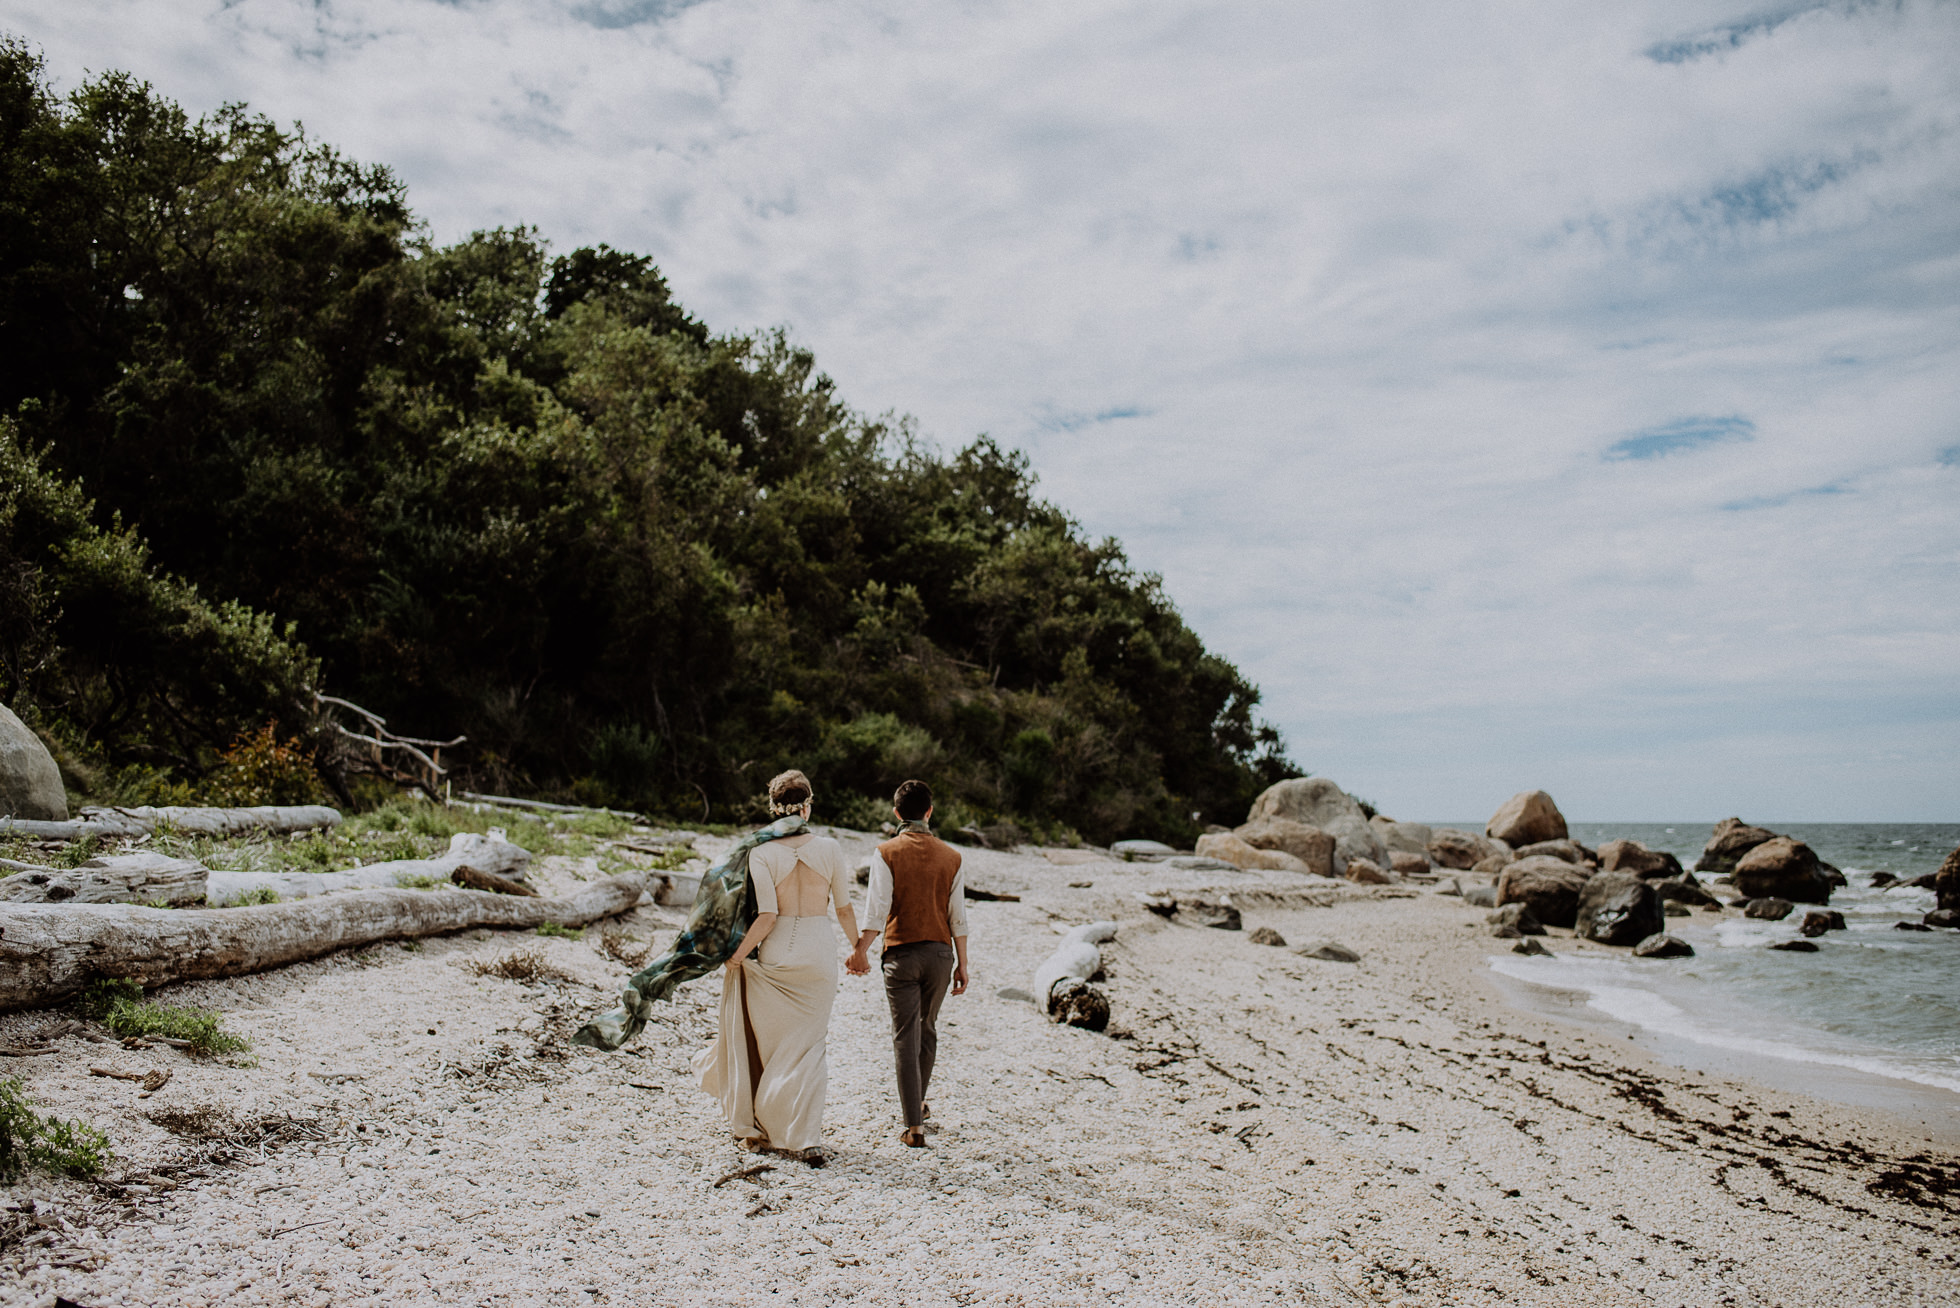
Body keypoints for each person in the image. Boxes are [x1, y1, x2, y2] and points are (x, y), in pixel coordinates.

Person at [691, 770, 865, 1166]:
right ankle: (806, 1139)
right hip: (819, 951)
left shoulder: (762, 852)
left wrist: (737, 954)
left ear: (773, 808)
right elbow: (843, 908)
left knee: (774, 1048)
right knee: (809, 1046)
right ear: (807, 806)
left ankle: (769, 1126)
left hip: (777, 953)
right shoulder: (831, 849)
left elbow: (767, 916)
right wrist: (859, 949)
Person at [848, 779, 969, 1148]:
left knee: (905, 1037)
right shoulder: (953, 856)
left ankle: (913, 1125)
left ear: (896, 813)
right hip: (939, 955)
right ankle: (918, 1107)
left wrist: (860, 950)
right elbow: (957, 915)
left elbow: (877, 909)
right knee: (927, 1030)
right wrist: (963, 963)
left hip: (900, 954)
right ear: (930, 812)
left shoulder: (886, 852)